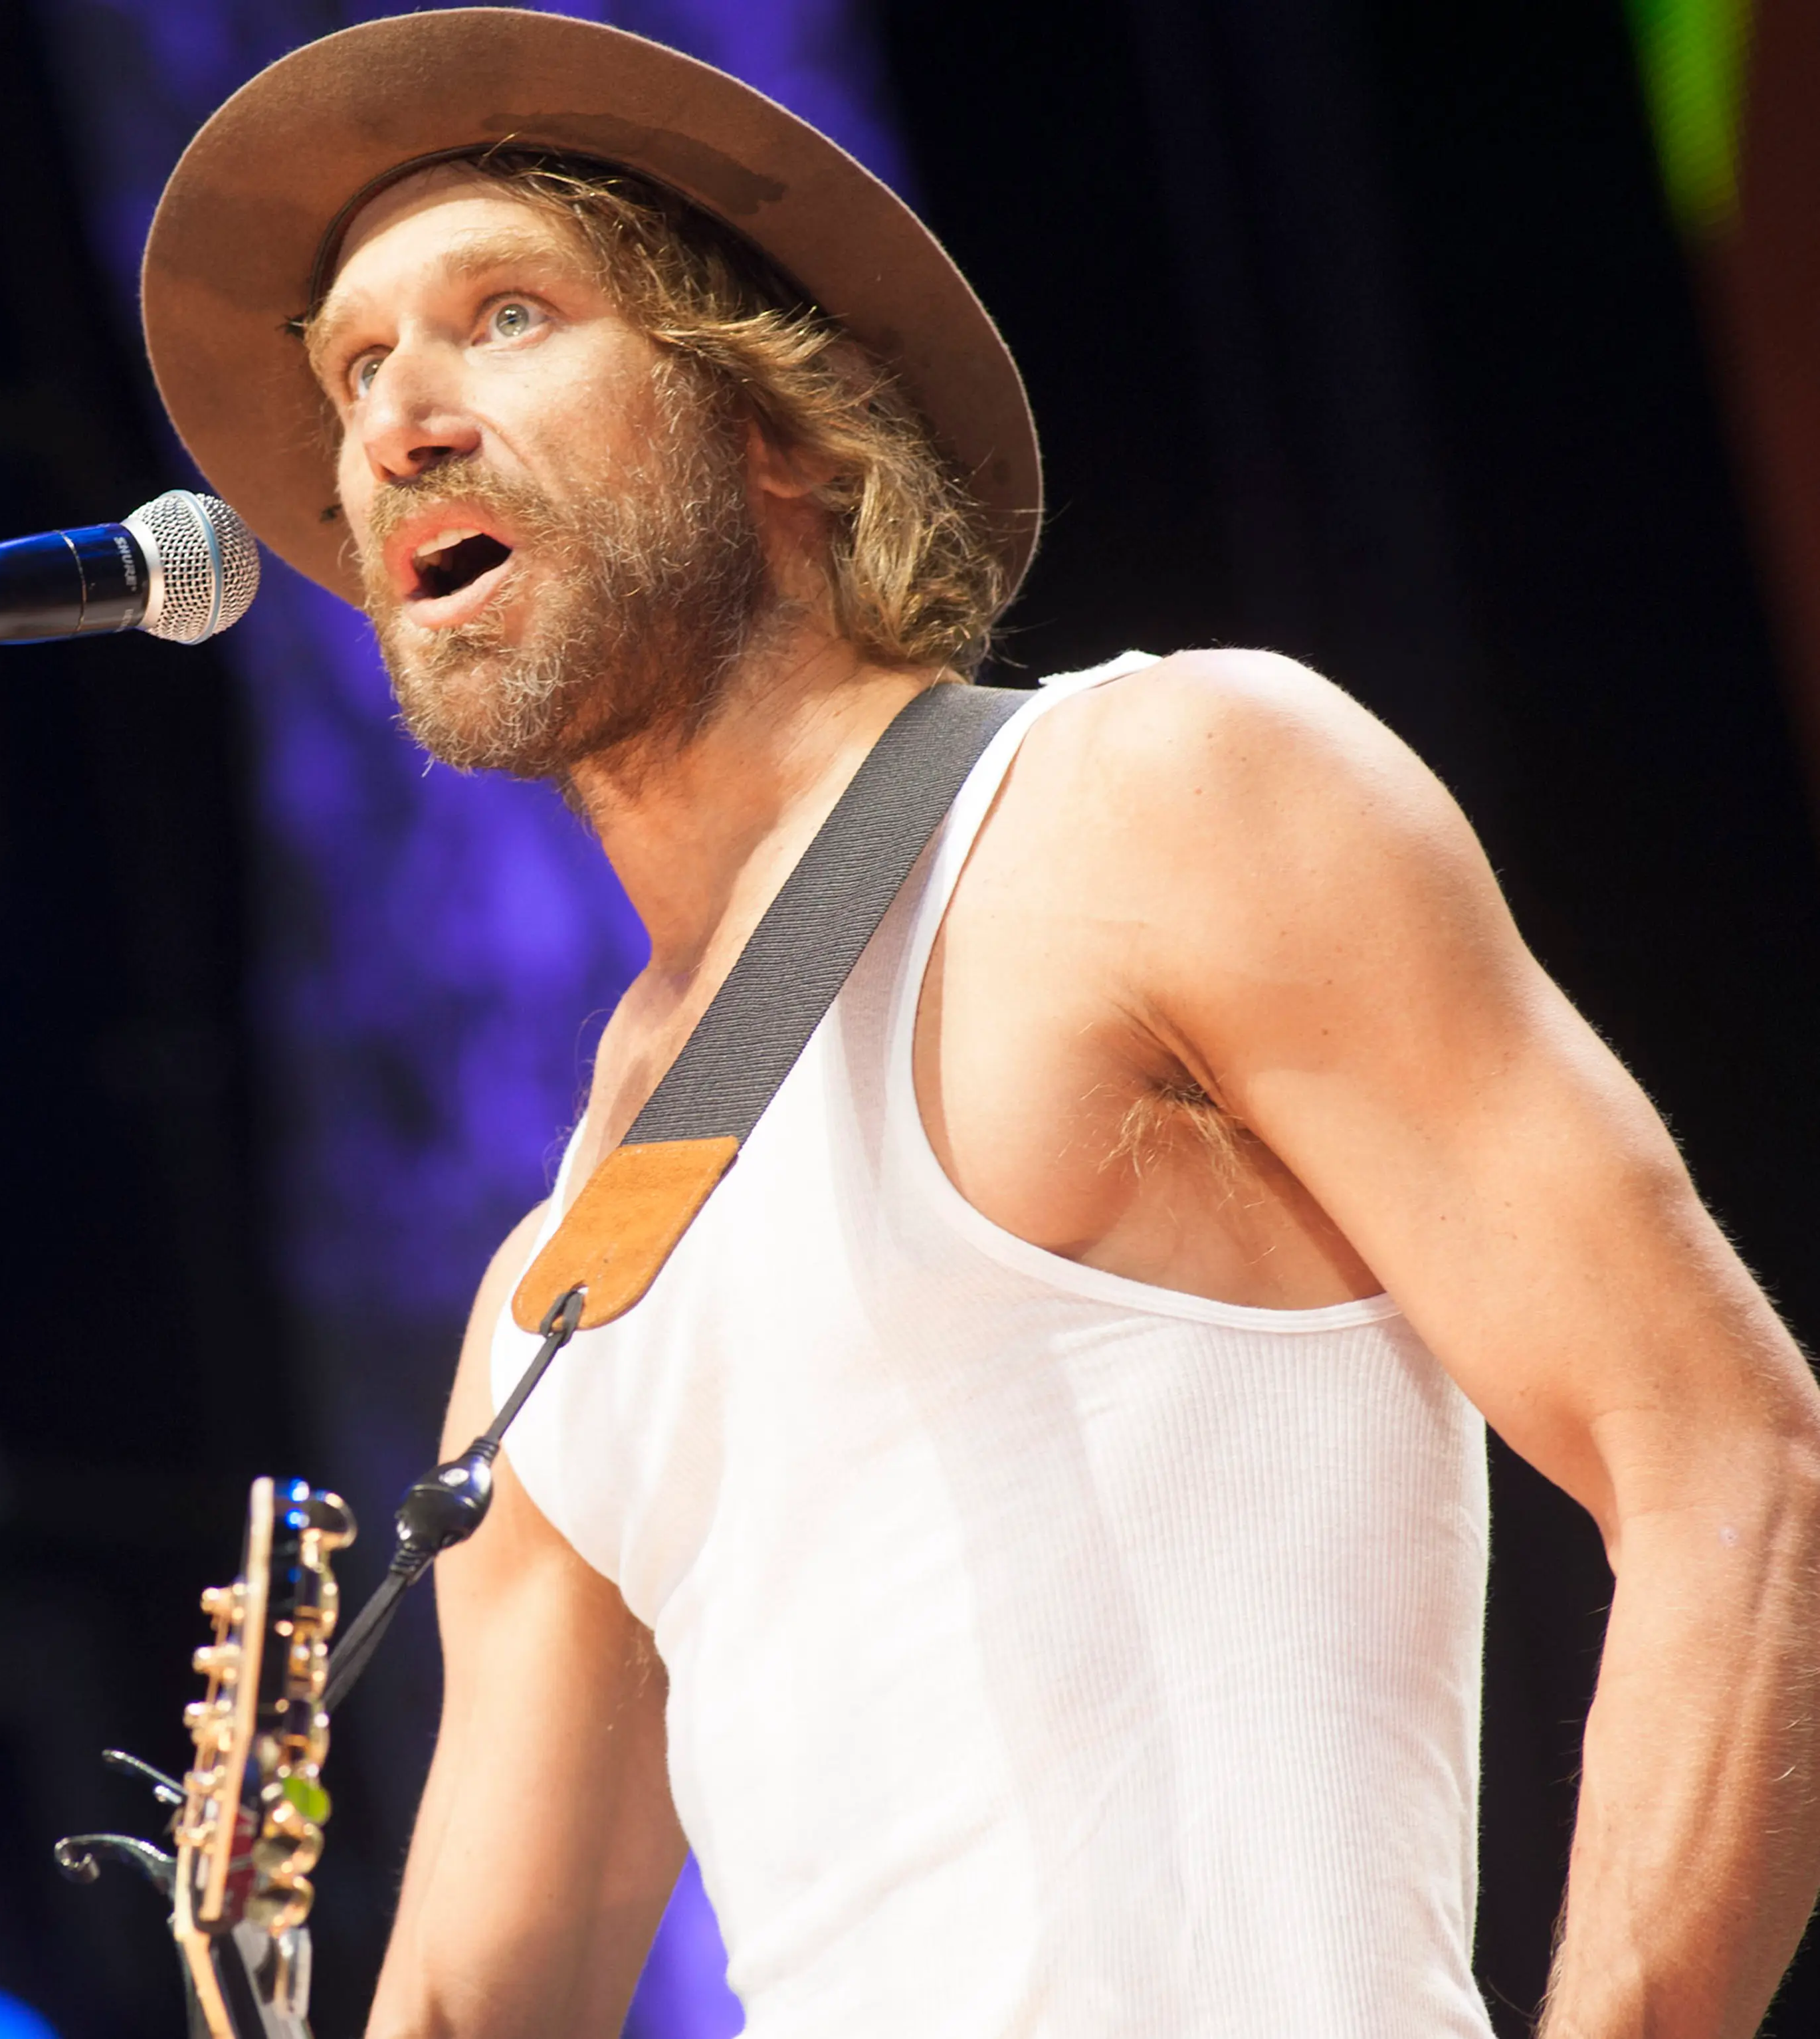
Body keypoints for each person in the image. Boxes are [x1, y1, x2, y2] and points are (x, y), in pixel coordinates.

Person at [136, 11, 1820, 2037]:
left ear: (777, 419)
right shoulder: (542, 1308)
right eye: (351, 370)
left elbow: (1730, 1462)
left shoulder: (1155, 799)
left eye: (503, 314)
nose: (399, 416)